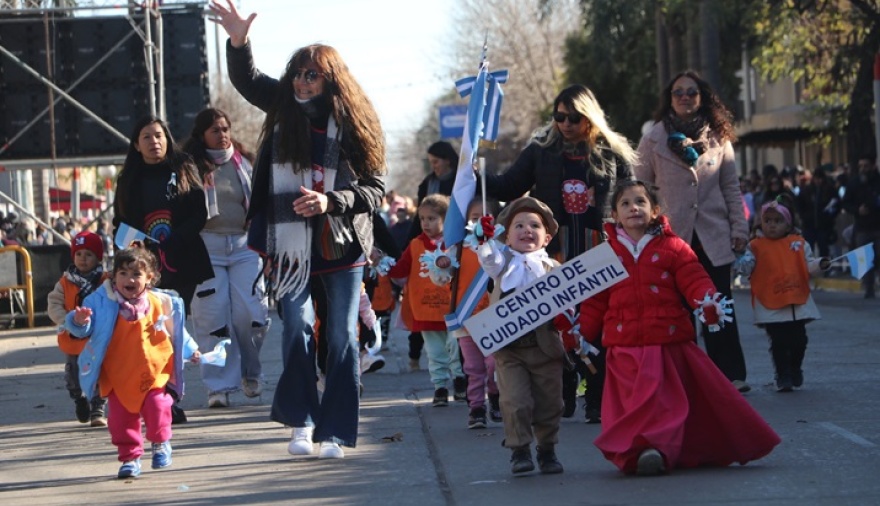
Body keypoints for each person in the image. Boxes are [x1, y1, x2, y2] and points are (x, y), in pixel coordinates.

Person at [210, 0, 386, 460]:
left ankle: (336, 432)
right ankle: (301, 424)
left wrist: (332, 201)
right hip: (288, 247)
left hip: (342, 245)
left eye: (312, 75)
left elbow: (375, 189)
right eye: (298, 73)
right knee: (295, 329)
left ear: (332, 80)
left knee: (343, 337)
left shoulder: (357, 125)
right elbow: (247, 80)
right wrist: (238, 41)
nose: (302, 82)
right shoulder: (284, 107)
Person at [577, 180, 780, 476]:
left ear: (655, 210)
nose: (634, 208)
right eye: (625, 204)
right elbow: (594, 302)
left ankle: (654, 450)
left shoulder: (674, 246)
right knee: (631, 408)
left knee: (659, 404)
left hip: (665, 344)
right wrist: (580, 334)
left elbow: (694, 278)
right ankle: (638, 452)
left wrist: (708, 302)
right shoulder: (604, 254)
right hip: (622, 347)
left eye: (640, 202)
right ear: (615, 215)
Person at [484, 84, 636, 423]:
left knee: (598, 325)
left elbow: (629, 195)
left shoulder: (611, 152)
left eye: (573, 117)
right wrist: (475, 176)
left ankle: (596, 397)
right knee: (559, 321)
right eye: (559, 116)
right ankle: (564, 391)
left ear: (589, 117)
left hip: (599, 248)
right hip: (557, 252)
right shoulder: (541, 150)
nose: (565, 124)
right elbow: (509, 185)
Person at [633, 70, 751, 392]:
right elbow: (640, 189)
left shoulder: (718, 138)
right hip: (670, 238)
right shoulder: (653, 138)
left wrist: (739, 228)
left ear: (702, 98)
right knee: (678, 310)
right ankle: (683, 375)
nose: (685, 97)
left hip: (713, 235)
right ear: (669, 99)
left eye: (692, 92)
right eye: (678, 93)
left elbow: (731, 187)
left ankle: (729, 375)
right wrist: (641, 230)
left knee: (719, 304)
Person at [64, 244, 200, 479]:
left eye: (136, 274)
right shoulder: (101, 301)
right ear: (113, 276)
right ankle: (130, 457)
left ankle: (160, 442)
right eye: (123, 273)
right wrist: (78, 320)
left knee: (158, 408)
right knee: (120, 421)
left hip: (154, 370)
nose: (129, 279)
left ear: (149, 278)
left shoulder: (160, 302)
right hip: (118, 374)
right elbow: (82, 329)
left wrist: (191, 349)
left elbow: (175, 330)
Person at [182, 107, 271, 409]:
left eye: (225, 129)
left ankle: (251, 372)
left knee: (252, 313)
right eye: (215, 130)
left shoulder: (245, 162)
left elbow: (264, 201)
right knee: (212, 318)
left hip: (245, 246)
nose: (222, 135)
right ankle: (218, 387)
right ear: (202, 135)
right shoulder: (190, 167)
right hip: (207, 248)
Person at [475, 196, 567, 475]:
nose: (527, 229)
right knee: (515, 402)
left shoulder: (554, 268)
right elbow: (488, 258)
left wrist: (567, 318)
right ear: (507, 234)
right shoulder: (502, 264)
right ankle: (519, 449)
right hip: (510, 350)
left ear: (547, 237)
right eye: (519, 225)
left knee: (550, 403)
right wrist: (485, 238)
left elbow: (569, 304)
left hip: (545, 348)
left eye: (535, 225)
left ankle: (547, 449)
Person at [113, 115, 214, 314]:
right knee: (150, 320)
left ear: (167, 139)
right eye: (147, 137)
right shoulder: (128, 180)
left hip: (183, 259)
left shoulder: (184, 169)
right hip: (143, 264)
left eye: (159, 136)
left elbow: (199, 213)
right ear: (136, 145)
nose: (154, 142)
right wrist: (133, 249)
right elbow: (120, 221)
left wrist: (178, 237)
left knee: (175, 318)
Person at [735, 199, 830, 391]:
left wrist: (820, 264)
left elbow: (808, 264)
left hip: (796, 302)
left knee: (799, 340)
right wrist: (738, 256)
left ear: (788, 224)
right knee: (778, 341)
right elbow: (746, 268)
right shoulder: (755, 246)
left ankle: (795, 368)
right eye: (768, 220)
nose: (772, 225)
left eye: (777, 221)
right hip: (769, 303)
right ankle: (783, 375)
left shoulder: (798, 244)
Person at [385, 195, 466, 406]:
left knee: (455, 348)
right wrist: (381, 262)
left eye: (432, 218)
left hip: (452, 308)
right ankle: (439, 386)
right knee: (435, 352)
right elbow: (401, 268)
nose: (426, 223)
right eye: (422, 218)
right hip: (426, 309)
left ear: (446, 219)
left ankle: (459, 380)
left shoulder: (457, 244)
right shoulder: (415, 245)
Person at [46, 231, 109, 427]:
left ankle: (98, 407)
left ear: (98, 257)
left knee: (102, 372)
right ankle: (80, 399)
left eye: (89, 254)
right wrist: (67, 320)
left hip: (98, 337)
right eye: (79, 254)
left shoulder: (105, 281)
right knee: (73, 375)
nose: (83, 259)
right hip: (73, 337)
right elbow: (54, 303)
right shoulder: (65, 282)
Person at [456, 198, 501, 429]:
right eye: (475, 218)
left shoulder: (501, 247)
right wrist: (442, 265)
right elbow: (442, 278)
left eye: (486, 216)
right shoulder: (458, 248)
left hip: (493, 318)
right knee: (473, 368)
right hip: (466, 318)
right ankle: (476, 408)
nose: (480, 221)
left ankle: (494, 395)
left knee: (493, 365)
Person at [842, 157, 880, 298]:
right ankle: (869, 287)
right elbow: (845, 203)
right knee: (864, 259)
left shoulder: (877, 181)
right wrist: (857, 210)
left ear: (872, 166)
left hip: (878, 225)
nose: (863, 169)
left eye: (866, 165)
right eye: (860, 166)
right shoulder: (854, 183)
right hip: (862, 227)